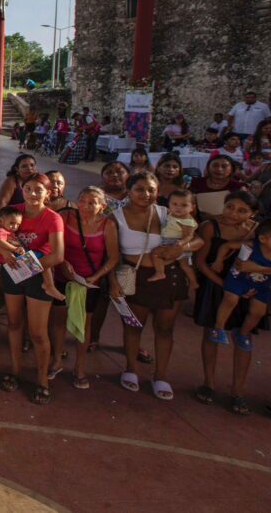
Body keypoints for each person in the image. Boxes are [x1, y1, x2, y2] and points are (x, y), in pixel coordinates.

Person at [113, 172, 202, 400]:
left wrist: (180, 248)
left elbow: (198, 239)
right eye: (139, 189)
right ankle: (131, 369)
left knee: (165, 328)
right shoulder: (116, 217)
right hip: (136, 276)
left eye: (151, 189)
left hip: (169, 276)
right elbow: (111, 254)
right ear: (129, 191)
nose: (146, 194)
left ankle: (160, 375)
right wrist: (113, 281)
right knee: (133, 326)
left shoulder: (167, 212)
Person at [0, 173, 64, 405]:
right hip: (12, 274)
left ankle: (42, 380)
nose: (33, 194)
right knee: (14, 324)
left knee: (38, 332)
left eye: (38, 190)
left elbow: (58, 255)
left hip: (37, 276)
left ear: (48, 193)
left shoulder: (52, 218)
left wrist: (29, 268)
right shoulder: (13, 212)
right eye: (28, 189)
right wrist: (4, 252)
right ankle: (15, 370)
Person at [192, 191, 261, 413]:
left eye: (242, 210)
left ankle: (238, 391)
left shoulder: (257, 230)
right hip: (215, 286)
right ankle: (209, 383)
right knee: (212, 332)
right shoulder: (210, 226)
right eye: (230, 207)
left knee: (243, 336)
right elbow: (201, 262)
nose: (233, 213)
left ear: (252, 214)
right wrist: (226, 285)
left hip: (247, 289)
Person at [50, 187, 120, 388]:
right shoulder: (66, 217)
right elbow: (55, 245)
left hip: (89, 283)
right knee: (59, 320)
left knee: (84, 325)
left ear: (102, 206)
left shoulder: (108, 225)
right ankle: (57, 360)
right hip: (63, 278)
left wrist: (96, 277)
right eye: (82, 200)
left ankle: (79, 367)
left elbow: (113, 257)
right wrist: (63, 263)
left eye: (92, 202)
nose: (86, 206)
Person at [208, 218, 271, 350]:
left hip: (262, 285)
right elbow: (227, 246)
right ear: (263, 239)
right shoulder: (252, 245)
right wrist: (219, 261)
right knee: (231, 299)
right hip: (239, 279)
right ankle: (218, 328)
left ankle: (243, 333)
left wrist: (258, 268)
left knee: (259, 312)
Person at [147, 189, 199, 289]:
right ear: (169, 204)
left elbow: (189, 236)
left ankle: (160, 272)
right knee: (184, 266)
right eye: (174, 204)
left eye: (184, 205)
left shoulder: (187, 221)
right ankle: (193, 282)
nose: (178, 207)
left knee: (155, 253)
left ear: (192, 207)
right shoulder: (171, 214)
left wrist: (181, 243)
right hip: (170, 242)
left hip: (174, 243)